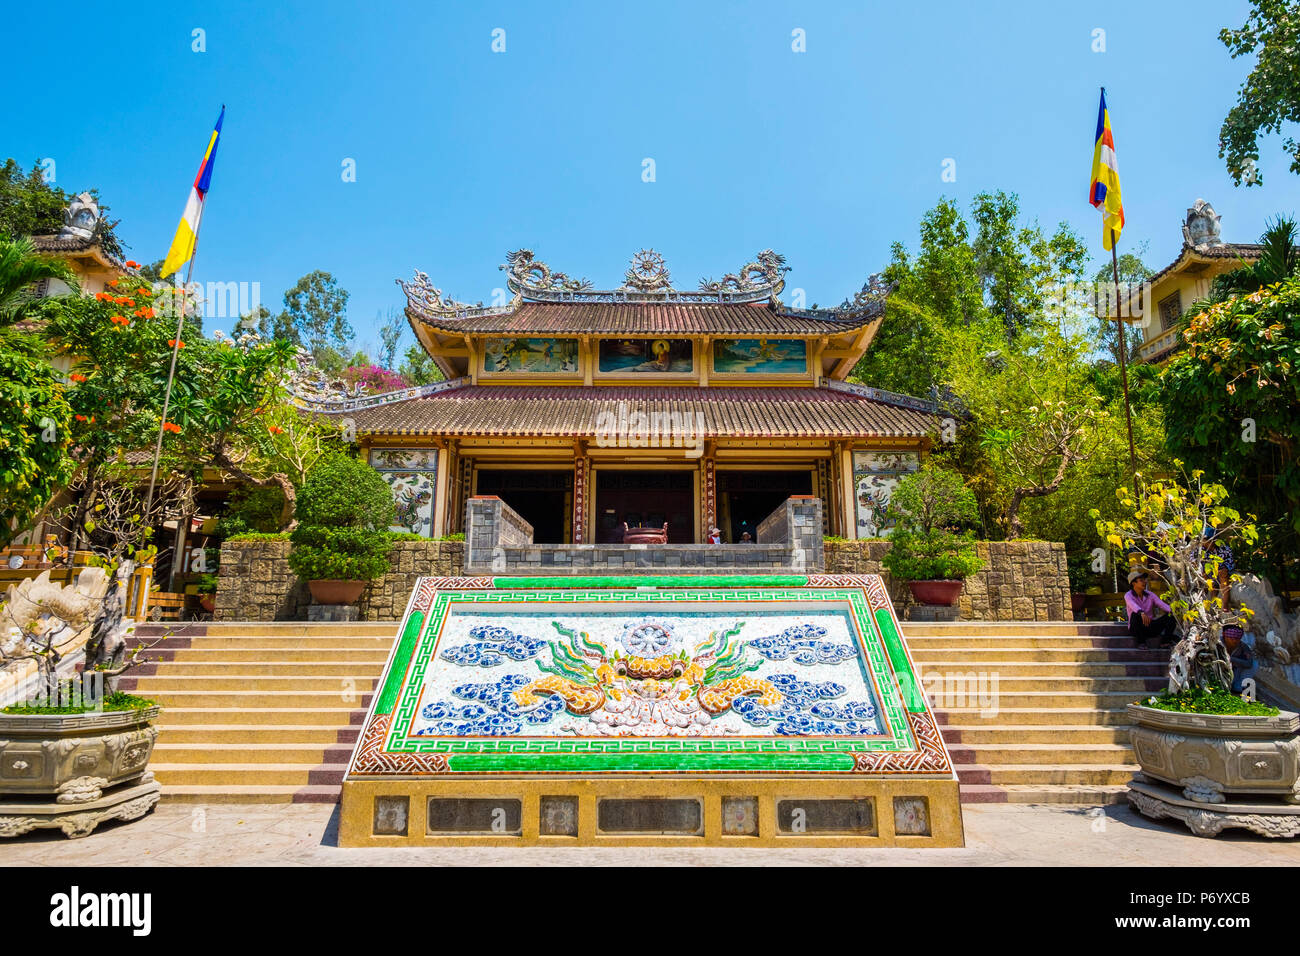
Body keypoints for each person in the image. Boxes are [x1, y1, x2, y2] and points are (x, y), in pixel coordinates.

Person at [1124, 570, 1176, 649]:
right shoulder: (1128, 595)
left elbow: (1161, 604)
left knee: (1171, 616)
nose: (1144, 582)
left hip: (1150, 626)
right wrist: (1141, 612)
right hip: (1136, 628)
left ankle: (1165, 642)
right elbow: (1133, 605)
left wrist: (1174, 611)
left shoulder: (1150, 594)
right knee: (1135, 615)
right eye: (1141, 580)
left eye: (1144, 580)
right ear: (1133, 583)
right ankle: (1141, 643)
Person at [1224, 628, 1255, 693]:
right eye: (1232, 639)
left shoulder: (1243, 647)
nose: (1234, 641)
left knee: (1255, 664)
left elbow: (1249, 663)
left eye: (1237, 639)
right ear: (1226, 638)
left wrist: (1233, 660)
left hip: (1235, 671)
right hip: (1221, 670)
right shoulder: (1220, 643)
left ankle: (1236, 686)